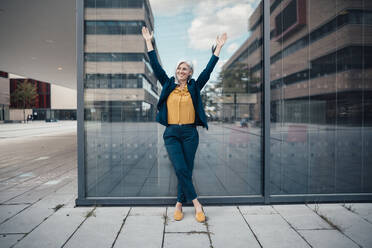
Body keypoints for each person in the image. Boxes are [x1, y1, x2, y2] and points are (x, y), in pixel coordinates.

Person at [142, 26, 227, 222]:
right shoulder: (168, 84)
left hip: (190, 133)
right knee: (180, 167)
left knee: (186, 169)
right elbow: (155, 66)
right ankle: (197, 204)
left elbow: (209, 70)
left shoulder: (195, 86)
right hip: (171, 133)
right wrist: (149, 42)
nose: (181, 71)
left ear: (190, 73)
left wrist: (218, 48)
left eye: (185, 69)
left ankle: (179, 204)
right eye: (179, 68)